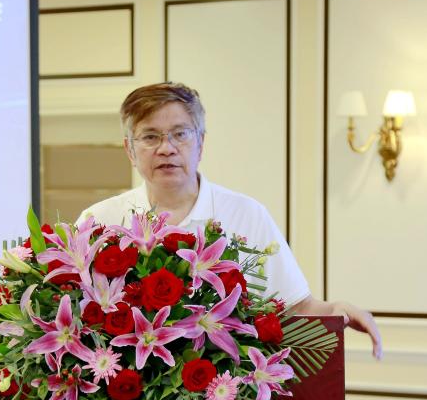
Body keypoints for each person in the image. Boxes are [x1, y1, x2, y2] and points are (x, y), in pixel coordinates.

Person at [77, 82, 383, 359]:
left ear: (201, 143)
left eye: (180, 134)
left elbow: (296, 307)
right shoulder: (99, 221)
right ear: (130, 149)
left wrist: (335, 310)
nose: (166, 148)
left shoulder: (247, 214)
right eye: (150, 136)